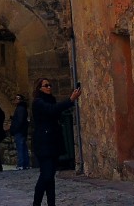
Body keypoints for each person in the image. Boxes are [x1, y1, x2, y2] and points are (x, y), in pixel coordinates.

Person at [31, 77, 81, 206]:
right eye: (46, 85)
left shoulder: (50, 100)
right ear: (39, 88)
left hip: (53, 143)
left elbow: (55, 112)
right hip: (43, 144)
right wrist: (70, 100)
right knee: (46, 176)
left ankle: (51, 203)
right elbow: (52, 110)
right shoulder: (38, 102)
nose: (49, 87)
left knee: (50, 177)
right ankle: (36, 203)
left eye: (50, 85)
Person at [9, 93, 29, 170]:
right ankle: (25, 164)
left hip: (19, 131)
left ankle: (21, 164)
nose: (15, 100)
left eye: (17, 98)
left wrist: (15, 128)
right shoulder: (22, 108)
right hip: (22, 131)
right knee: (23, 147)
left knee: (20, 148)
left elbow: (20, 120)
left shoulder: (20, 108)